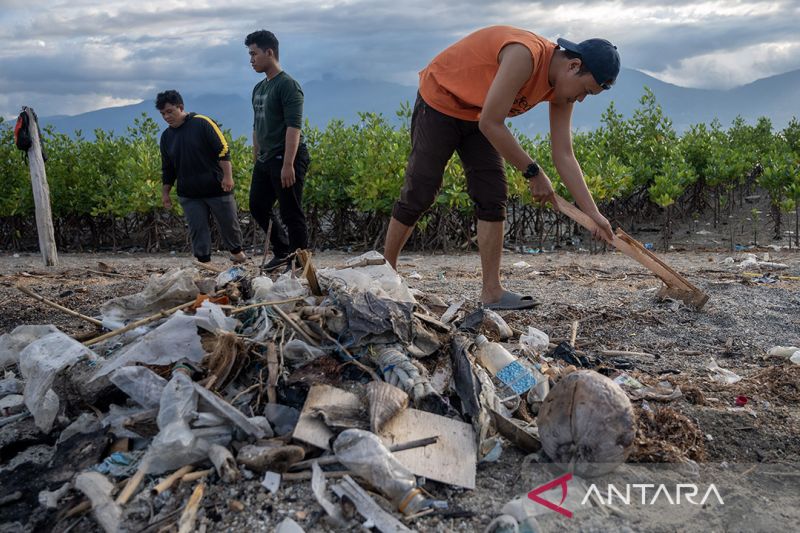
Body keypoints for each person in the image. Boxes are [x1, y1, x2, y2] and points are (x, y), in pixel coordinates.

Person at [383, 25, 620, 310]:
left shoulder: (561, 90)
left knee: (492, 194)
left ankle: (492, 292)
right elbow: (491, 124)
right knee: (421, 189)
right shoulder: (525, 55)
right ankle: (386, 276)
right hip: (441, 100)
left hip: (477, 112)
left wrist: (592, 213)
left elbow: (564, 154)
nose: (580, 99)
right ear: (573, 66)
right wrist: (533, 172)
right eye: (585, 91)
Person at [245, 30, 310, 271]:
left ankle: (301, 264)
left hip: (287, 157)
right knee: (257, 205)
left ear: (269, 52)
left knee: (291, 212)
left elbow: (294, 126)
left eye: (254, 54)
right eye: (250, 55)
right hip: (266, 159)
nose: (251, 60)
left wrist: (288, 164)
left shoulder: (288, 85)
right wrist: (256, 155)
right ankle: (283, 251)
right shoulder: (259, 88)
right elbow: (257, 124)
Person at [157, 90, 247, 264]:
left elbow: (223, 149)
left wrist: (228, 177)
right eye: (163, 114)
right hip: (189, 193)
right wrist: (165, 193)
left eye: (170, 112)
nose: (166, 117)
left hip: (217, 186)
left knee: (229, 223)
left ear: (180, 107)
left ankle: (237, 253)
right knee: (197, 228)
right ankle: (204, 262)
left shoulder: (202, 123)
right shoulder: (166, 137)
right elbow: (167, 167)